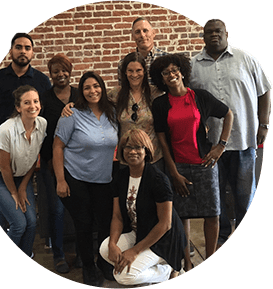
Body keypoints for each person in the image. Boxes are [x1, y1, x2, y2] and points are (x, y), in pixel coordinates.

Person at [189, 18, 271, 246]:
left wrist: (264, 124)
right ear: (203, 37)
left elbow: (265, 90)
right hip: (212, 144)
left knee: (245, 194)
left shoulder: (246, 59)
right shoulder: (193, 65)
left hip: (244, 139)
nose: (214, 35)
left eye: (218, 31)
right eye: (209, 32)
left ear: (226, 33)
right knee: (216, 196)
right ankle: (223, 234)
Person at [150, 53, 234, 271]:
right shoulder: (159, 104)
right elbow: (162, 141)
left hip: (205, 164)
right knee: (182, 217)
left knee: (212, 213)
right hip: (178, 166)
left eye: (174, 70)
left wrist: (220, 145)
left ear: (182, 71)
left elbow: (228, 114)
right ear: (161, 78)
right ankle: (187, 262)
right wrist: (173, 173)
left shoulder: (200, 97)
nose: (171, 74)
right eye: (165, 72)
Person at [52, 71, 118, 286]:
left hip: (105, 178)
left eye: (96, 86)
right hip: (76, 177)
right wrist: (61, 180)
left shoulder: (112, 112)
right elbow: (57, 147)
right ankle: (88, 266)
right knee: (84, 224)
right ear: (81, 91)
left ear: (102, 87)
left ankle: (105, 263)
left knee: (105, 223)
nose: (92, 91)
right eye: (87, 87)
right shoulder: (71, 114)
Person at [100, 129, 187, 285]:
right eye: (128, 147)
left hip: (165, 239)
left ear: (146, 151)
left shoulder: (158, 179)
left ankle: (168, 270)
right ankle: (145, 273)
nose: (132, 151)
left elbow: (165, 224)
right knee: (105, 249)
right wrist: (113, 244)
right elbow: (118, 217)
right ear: (122, 151)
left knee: (123, 277)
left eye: (138, 147)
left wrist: (134, 251)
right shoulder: (121, 177)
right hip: (140, 231)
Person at [0, 85, 47, 257]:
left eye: (35, 101)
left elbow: (33, 158)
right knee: (19, 224)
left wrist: (22, 187)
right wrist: (14, 192)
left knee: (32, 222)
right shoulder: (6, 129)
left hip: (20, 177)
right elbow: (4, 167)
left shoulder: (42, 123)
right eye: (27, 103)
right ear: (18, 108)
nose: (32, 106)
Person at [0, 32, 51, 161]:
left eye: (27, 48)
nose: (23, 51)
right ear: (10, 52)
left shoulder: (42, 81)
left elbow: (48, 114)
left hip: (30, 151)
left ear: (32, 53)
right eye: (18, 47)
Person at [38, 54, 78, 273]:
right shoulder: (43, 98)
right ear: (50, 74)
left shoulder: (80, 95)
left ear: (69, 71)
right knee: (57, 210)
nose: (61, 74)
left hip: (79, 162)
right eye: (56, 71)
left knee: (82, 208)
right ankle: (59, 253)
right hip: (51, 162)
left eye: (64, 70)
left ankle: (82, 252)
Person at [118, 17, 168, 84]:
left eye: (145, 30)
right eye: (137, 32)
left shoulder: (167, 59)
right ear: (133, 36)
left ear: (153, 33)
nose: (142, 35)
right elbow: (123, 90)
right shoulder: (123, 64)